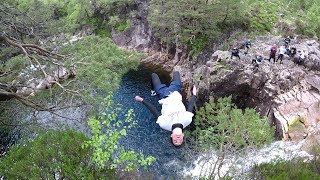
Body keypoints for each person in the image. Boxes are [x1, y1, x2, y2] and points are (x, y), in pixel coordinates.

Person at [134, 71, 197, 146]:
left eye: (175, 141)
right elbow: (190, 106)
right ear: (183, 136)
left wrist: (142, 100)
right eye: (180, 141)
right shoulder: (187, 120)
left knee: (154, 75)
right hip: (175, 92)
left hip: (163, 94)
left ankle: (153, 91)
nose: (178, 140)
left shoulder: (164, 124)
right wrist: (194, 95)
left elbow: (154, 111)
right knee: (176, 73)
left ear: (171, 136)